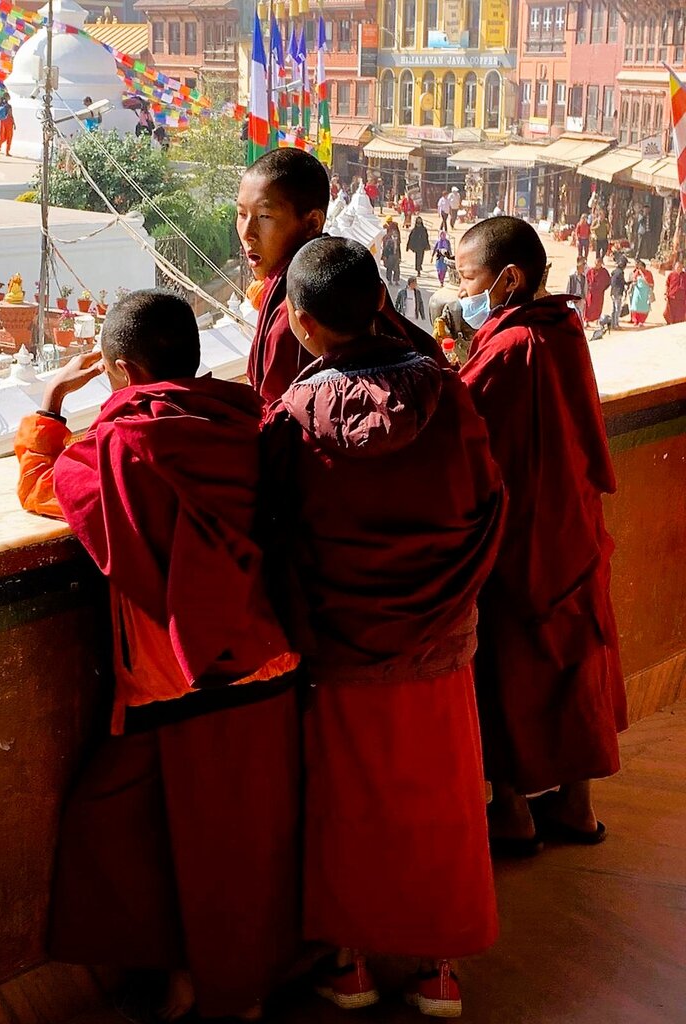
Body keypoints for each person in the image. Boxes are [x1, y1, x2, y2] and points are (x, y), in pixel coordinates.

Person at [13, 290, 301, 1022]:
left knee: (168, 845)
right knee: (227, 842)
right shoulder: (249, 421)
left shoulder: (120, 445)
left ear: (117, 370)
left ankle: (221, 994)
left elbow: (47, 488)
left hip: (183, 680)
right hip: (266, 664)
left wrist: (47, 408)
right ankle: (206, 982)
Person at [263, 236, 504, 1018]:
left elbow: (277, 534)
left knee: (349, 803)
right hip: (440, 639)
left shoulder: (293, 420)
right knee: (443, 798)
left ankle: (353, 964)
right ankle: (438, 971)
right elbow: (487, 504)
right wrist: (454, 596)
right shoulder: (448, 395)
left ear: (300, 325)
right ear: (379, 305)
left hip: (342, 646)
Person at [456, 216, 628, 856]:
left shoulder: (510, 348)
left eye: (467, 276)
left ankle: (515, 813)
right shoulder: (561, 328)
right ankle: (578, 810)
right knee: (576, 664)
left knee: (512, 671)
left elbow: (463, 419)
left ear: (507, 279)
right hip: (575, 528)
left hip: (524, 540)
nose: (459, 288)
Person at [237, 149, 446, 406]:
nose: (248, 232)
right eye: (241, 214)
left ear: (313, 223)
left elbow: (278, 419)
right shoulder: (347, 274)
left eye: (264, 216)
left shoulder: (295, 312)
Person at [584, 256, 611, 325]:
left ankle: (597, 320)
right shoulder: (590, 271)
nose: (597, 265)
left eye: (598, 264)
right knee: (589, 306)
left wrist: (603, 289)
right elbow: (586, 280)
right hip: (590, 293)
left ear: (601, 264)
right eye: (596, 264)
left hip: (599, 293)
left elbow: (608, 281)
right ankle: (587, 320)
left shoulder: (604, 272)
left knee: (598, 307)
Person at [629, 258, 655, 325]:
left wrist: (651, 291)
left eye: (641, 267)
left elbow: (651, 283)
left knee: (644, 307)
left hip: (645, 292)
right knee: (635, 305)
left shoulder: (648, 273)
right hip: (637, 291)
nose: (639, 268)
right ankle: (635, 320)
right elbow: (634, 280)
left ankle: (641, 321)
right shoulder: (637, 272)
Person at [566, 257, 588, 322]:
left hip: (580, 299)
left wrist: (584, 298)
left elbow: (585, 288)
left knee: (580, 314)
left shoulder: (584, 278)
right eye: (581, 268)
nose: (583, 270)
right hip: (572, 299)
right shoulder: (572, 277)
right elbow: (568, 288)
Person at [664, 259, 686, 324]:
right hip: (672, 296)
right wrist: (665, 294)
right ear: (675, 267)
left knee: (680, 314)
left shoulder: (685, 275)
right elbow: (667, 284)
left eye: (680, 267)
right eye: (677, 267)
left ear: (682, 267)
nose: (679, 268)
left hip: (682, 298)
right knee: (669, 312)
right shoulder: (671, 275)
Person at [381, 219, 402, 285]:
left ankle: (396, 280)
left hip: (396, 255)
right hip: (390, 255)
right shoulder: (388, 238)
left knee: (397, 269)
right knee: (389, 268)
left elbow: (398, 248)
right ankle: (389, 280)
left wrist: (400, 256)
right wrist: (384, 256)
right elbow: (386, 247)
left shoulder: (397, 240)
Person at [609, 260, 628, 330]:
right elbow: (622, 282)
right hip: (618, 292)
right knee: (618, 309)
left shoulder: (614, 272)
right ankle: (616, 324)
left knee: (614, 309)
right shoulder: (620, 273)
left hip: (613, 292)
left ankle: (612, 324)